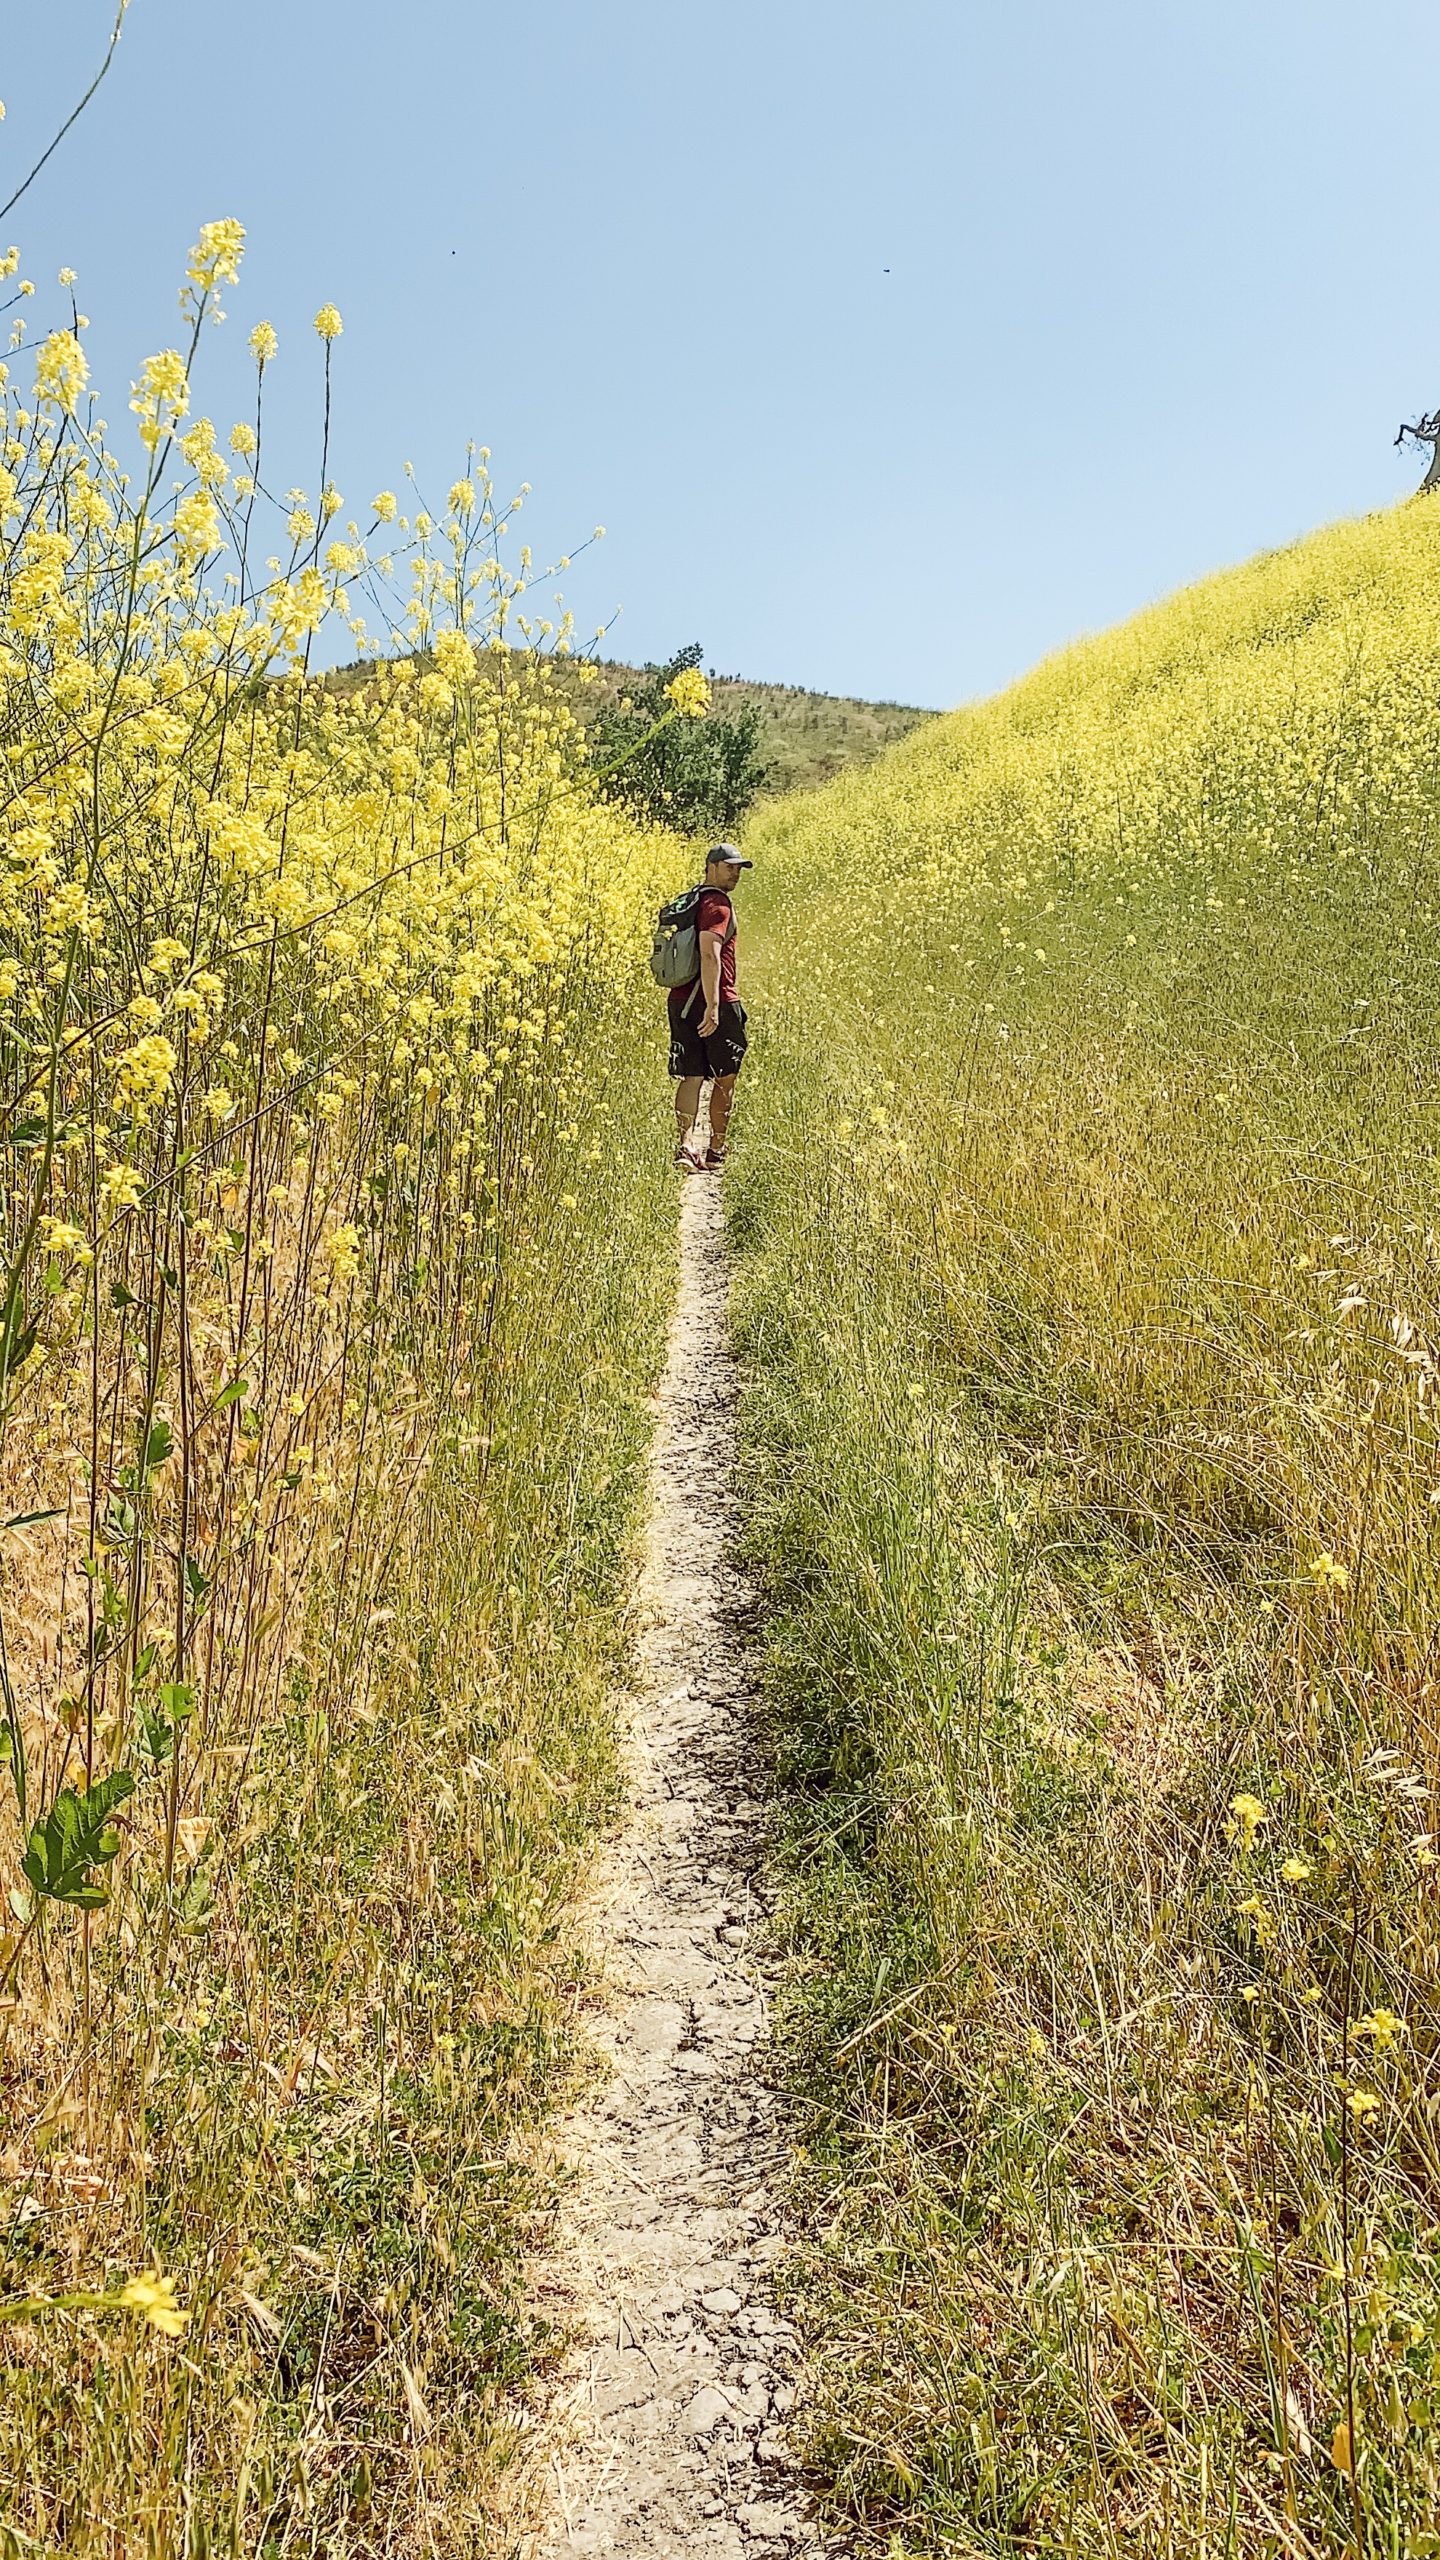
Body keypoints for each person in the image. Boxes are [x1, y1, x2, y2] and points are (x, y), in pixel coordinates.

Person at [669, 842, 751, 1173]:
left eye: (738, 868)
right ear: (711, 866)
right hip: (715, 1000)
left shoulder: (689, 900)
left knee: (691, 1075)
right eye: (729, 866)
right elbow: (709, 953)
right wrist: (714, 1005)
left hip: (680, 1000)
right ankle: (715, 1150)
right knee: (724, 1076)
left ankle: (687, 1146)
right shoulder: (718, 905)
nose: (735, 873)